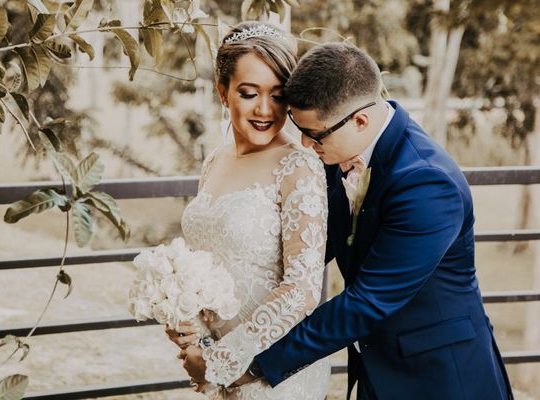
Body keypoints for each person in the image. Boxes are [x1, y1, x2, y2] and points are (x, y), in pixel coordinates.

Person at [236, 42, 512, 399]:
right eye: (299, 128)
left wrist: (254, 363)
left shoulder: (427, 183)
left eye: (315, 134)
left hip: (441, 379)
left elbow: (367, 301)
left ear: (360, 120)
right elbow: (311, 250)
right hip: (376, 372)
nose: (306, 144)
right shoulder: (340, 149)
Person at [167, 22, 331, 399]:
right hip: (217, 365)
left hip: (272, 375)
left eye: (277, 95)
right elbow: (205, 264)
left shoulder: (299, 167)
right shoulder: (214, 160)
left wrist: (223, 361)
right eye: (248, 92)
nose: (264, 109)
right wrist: (189, 324)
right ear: (222, 92)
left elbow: (302, 289)